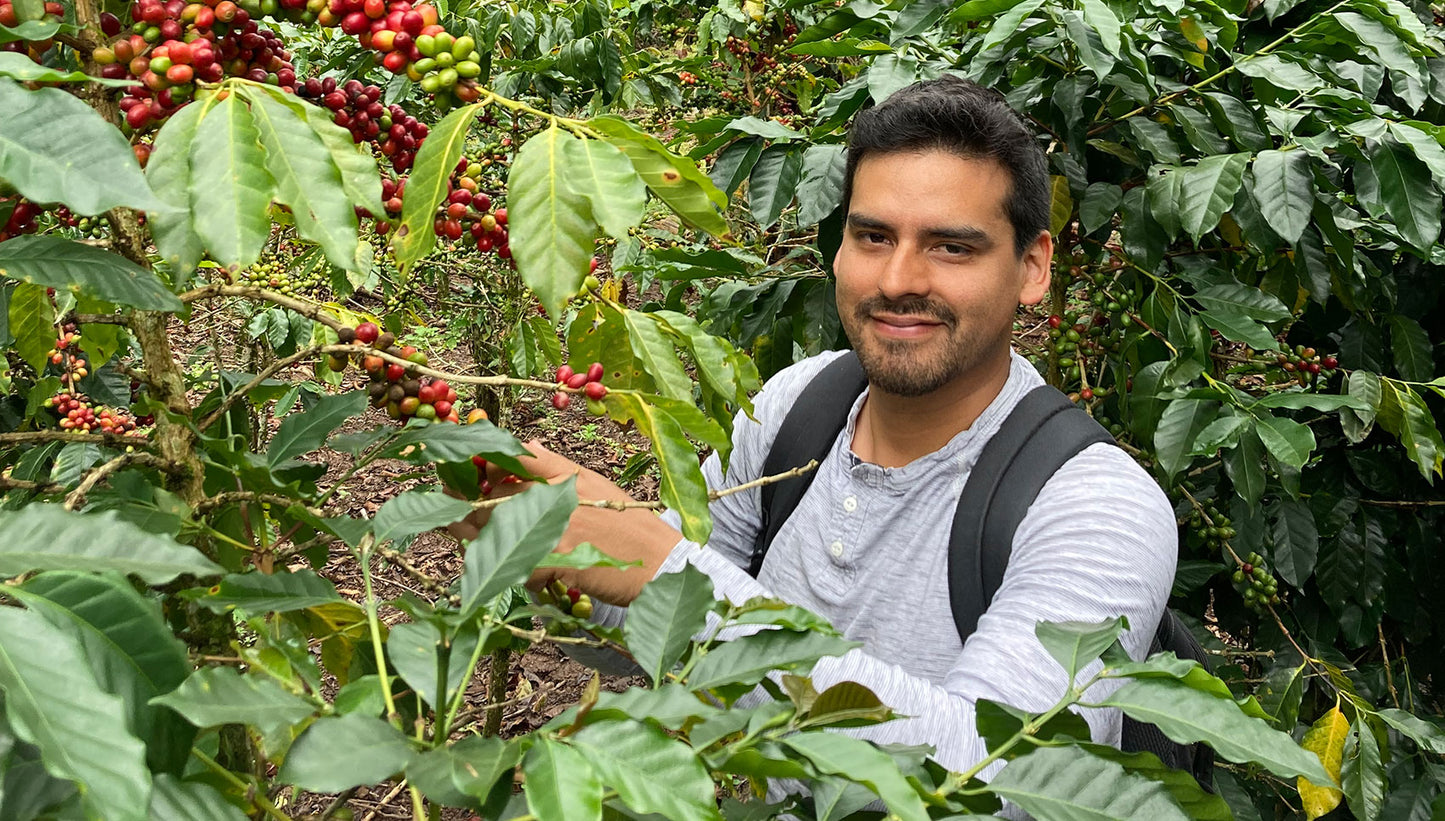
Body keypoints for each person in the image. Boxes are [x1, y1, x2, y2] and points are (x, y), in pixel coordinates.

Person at [455, 75, 1176, 789]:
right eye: (872, 236)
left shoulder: (1095, 506)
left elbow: (1003, 778)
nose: (897, 278)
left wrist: (660, 567)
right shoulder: (799, 403)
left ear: (1031, 267)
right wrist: (548, 551)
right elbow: (659, 647)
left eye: (951, 247)